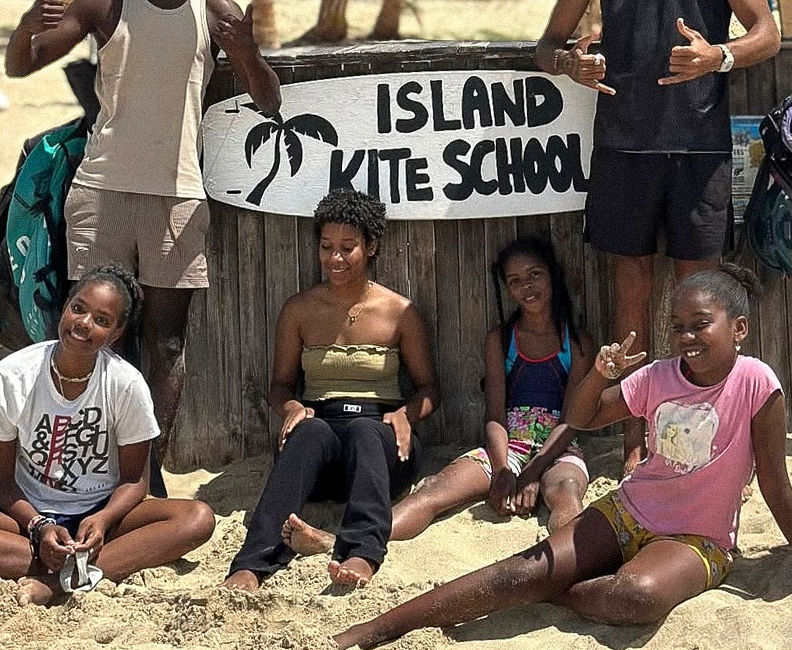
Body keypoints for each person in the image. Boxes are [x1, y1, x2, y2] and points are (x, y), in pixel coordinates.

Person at [333, 263, 792, 649]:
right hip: (628, 512)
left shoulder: (757, 384)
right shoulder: (659, 376)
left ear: (739, 328)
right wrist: (596, 374)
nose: (687, 336)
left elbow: (773, 481)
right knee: (522, 570)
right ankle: (385, 625)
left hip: (698, 538)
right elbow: (582, 416)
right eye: (677, 326)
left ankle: (552, 591)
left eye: (700, 323)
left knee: (634, 597)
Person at [4, 0, 282, 467]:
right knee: (95, 335)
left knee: (167, 341)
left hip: (179, 197)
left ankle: (143, 470)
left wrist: (249, 52)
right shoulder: (104, 2)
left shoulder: (217, 10)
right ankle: (85, 460)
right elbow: (22, 65)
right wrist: (26, 27)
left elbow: (269, 102)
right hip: (101, 192)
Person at [535, 0, 780, 471]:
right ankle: (637, 443)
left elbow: (766, 32)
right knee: (631, 293)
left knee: (700, 295)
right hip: (623, 145)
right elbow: (547, 42)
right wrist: (573, 64)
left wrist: (718, 58)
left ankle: (706, 436)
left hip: (698, 145)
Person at [284, 237, 592, 562]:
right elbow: (495, 415)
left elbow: (573, 419)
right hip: (507, 443)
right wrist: (502, 471)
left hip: (557, 446)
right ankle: (339, 541)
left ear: (552, 276)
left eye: (534, 275)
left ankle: (576, 560)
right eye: (515, 281)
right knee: (432, 493)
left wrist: (532, 473)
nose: (526, 287)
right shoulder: (501, 339)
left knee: (565, 492)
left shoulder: (576, 342)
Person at [223, 188, 440, 591]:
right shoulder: (299, 309)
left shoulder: (400, 312)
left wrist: (406, 415)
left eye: (347, 248)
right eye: (327, 247)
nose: (335, 259)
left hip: (380, 445)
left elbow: (429, 389)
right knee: (310, 432)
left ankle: (362, 551)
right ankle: (252, 564)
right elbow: (281, 385)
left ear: (371, 246)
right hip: (320, 444)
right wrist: (290, 407)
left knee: (364, 431)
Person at [0, 263, 215, 605]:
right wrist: (39, 527)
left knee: (197, 518)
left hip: (100, 519)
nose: (84, 324)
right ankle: (78, 569)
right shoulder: (14, 375)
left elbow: (134, 482)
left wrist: (102, 520)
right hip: (29, 515)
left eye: (101, 320)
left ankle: (57, 582)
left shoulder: (125, 384)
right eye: (78, 309)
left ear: (115, 334)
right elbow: (4, 482)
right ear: (66, 307)